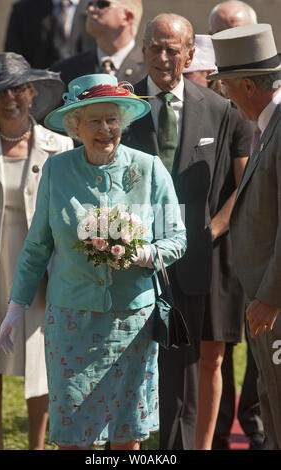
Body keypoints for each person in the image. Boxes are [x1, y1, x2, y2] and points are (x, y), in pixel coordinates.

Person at [0, 73, 187, 450]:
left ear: (123, 122)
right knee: (71, 433)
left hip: (131, 322)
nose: (105, 129)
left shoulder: (149, 169)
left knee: (126, 434)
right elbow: (37, 246)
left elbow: (177, 239)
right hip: (71, 321)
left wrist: (146, 253)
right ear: (75, 126)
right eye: (94, 121)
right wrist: (16, 305)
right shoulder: (56, 169)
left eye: (112, 119)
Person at [122, 13, 232, 450]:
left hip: (191, 263)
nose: (163, 57)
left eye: (173, 49)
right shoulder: (122, 105)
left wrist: (208, 233)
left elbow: (228, 185)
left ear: (190, 55)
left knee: (184, 374)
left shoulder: (219, 109)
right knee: (131, 367)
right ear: (143, 49)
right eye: (155, 46)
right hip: (131, 261)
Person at [0, 52, 73, 450]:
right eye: (0, 92)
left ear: (33, 92)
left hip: (42, 268)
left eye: (18, 88)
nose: (9, 99)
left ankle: (37, 445)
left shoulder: (62, 145)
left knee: (41, 358)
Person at [209, 22, 281, 450]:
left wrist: (270, 295)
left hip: (273, 304)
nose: (225, 97)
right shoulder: (268, 123)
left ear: (250, 86)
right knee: (272, 408)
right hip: (267, 304)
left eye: (227, 87)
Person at [183, 34, 252, 450]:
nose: (193, 79)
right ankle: (174, 437)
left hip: (216, 252)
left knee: (212, 356)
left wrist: (212, 229)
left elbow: (242, 186)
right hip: (171, 250)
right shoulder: (168, 114)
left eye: (199, 72)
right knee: (174, 355)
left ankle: (203, 445)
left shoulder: (233, 115)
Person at [50, 0, 146, 87]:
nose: (90, 9)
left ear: (127, 17)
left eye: (102, 4)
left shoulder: (151, 69)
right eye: (90, 4)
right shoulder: (63, 71)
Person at [4, 0, 88, 69]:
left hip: (88, 84)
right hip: (41, 85)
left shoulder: (96, 6)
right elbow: (13, 60)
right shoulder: (23, 9)